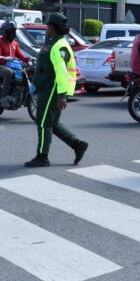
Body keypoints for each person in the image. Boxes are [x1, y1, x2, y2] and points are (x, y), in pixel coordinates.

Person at [25, 13, 88, 167]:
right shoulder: (54, 43)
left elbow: (61, 72)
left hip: (52, 89)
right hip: (48, 87)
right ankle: (77, 144)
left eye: (47, 26)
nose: (46, 28)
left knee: (43, 122)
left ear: (52, 28)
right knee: (52, 123)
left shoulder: (59, 46)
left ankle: (42, 157)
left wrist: (61, 95)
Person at [0, 20, 30, 106]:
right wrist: (5, 58)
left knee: (25, 72)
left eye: (14, 31)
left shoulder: (15, 44)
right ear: (5, 32)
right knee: (9, 72)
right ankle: (4, 97)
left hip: (12, 66)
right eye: (10, 31)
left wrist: (31, 58)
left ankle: (17, 93)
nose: (13, 33)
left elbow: (22, 57)